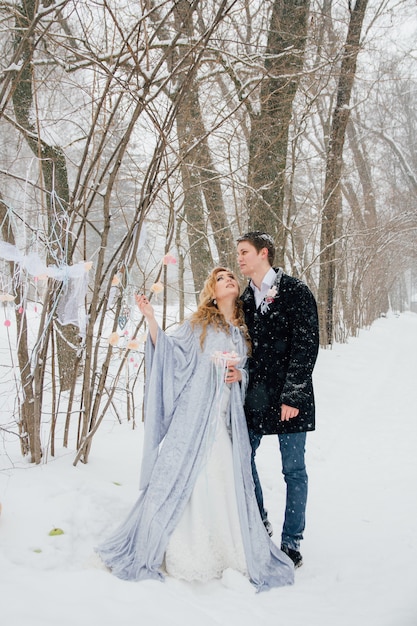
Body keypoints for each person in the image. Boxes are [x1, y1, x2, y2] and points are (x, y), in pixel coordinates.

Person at [96, 267, 294, 590]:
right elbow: (170, 353)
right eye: (220, 279)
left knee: (225, 484)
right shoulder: (198, 325)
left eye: (231, 276)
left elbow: (252, 372)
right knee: (186, 481)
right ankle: (182, 549)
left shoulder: (243, 331)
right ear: (212, 292)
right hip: (192, 422)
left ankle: (227, 552)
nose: (229, 279)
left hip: (224, 425)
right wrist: (150, 319)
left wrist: (240, 376)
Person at [236, 232, 319, 569]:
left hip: (290, 398)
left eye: (244, 252)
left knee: (293, 470)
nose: (239, 258)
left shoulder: (296, 291)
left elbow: (306, 344)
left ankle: (292, 540)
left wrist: (294, 394)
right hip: (255, 397)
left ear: (263, 253)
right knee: (243, 458)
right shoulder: (243, 301)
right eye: (238, 253)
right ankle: (260, 521)